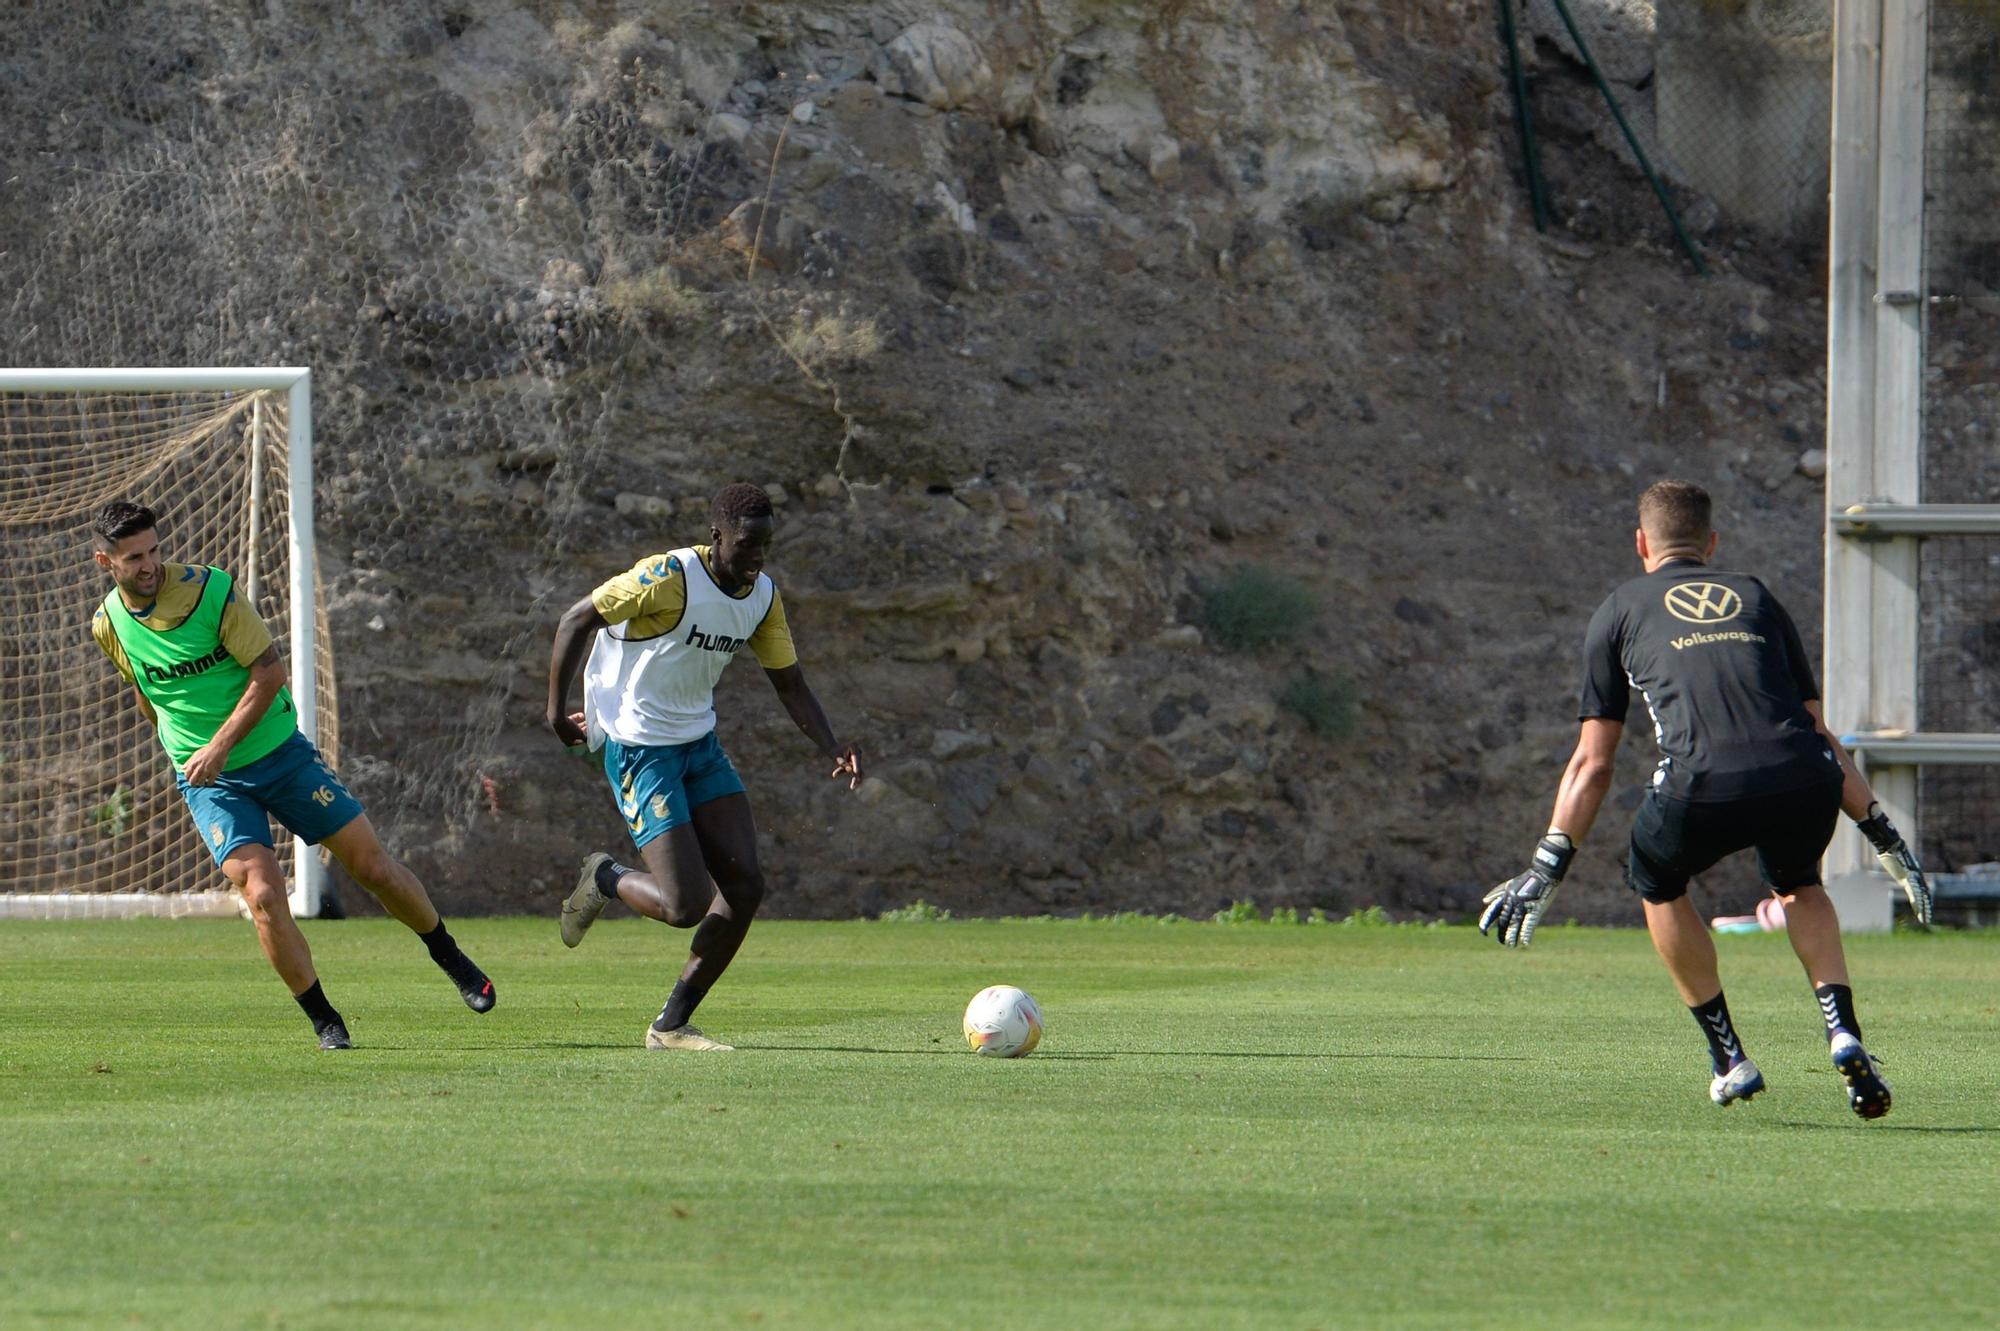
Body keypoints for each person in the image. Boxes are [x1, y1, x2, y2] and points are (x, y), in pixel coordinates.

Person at [1479, 479, 1933, 1119]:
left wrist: (1548, 865)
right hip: (1804, 775)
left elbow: (1594, 761)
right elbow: (1819, 732)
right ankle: (1842, 1031)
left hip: (1702, 781)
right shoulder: (1754, 595)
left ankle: (1730, 1059)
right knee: (1800, 884)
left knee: (1657, 879)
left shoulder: (1618, 609)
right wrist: (1882, 832)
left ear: (1641, 543)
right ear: (1711, 543)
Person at [89, 501, 495, 1049]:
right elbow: (145, 692)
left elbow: (269, 675)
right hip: (211, 782)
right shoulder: (107, 623)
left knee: (371, 866)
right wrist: (188, 755)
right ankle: (326, 1020)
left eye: (155, 549)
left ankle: (451, 957)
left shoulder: (214, 591)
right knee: (261, 894)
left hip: (281, 754)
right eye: (135, 557)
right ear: (105, 562)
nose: (150, 564)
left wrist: (217, 744)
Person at [545, 482, 862, 1051]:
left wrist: (831, 746)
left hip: (699, 744)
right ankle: (606, 878)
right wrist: (555, 715)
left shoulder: (762, 596)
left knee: (745, 884)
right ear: (716, 536)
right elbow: (575, 620)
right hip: (640, 749)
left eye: (766, 545)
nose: (758, 558)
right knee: (684, 906)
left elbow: (789, 682)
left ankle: (670, 1026)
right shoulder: (666, 576)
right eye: (747, 544)